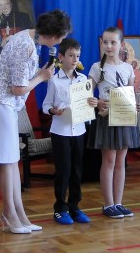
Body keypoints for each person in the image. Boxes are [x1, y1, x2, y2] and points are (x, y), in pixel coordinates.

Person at [0, 9, 71, 233]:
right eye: (61, 37)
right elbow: (18, 88)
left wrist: (38, 73)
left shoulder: (30, 40)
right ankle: (9, 214)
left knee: (12, 160)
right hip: (0, 103)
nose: (61, 41)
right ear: (53, 35)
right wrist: (41, 77)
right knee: (7, 161)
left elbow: (19, 78)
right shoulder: (25, 45)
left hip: (7, 104)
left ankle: (20, 214)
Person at [42, 37, 98, 225]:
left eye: (78, 56)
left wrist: (93, 103)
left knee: (77, 170)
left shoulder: (83, 79)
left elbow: (88, 103)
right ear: (61, 57)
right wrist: (53, 111)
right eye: (71, 56)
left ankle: (75, 207)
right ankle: (60, 208)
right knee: (63, 171)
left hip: (79, 130)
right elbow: (46, 105)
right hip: (61, 132)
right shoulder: (54, 80)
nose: (75, 60)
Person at [87, 27, 140, 219]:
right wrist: (97, 102)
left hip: (124, 117)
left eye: (113, 42)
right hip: (107, 118)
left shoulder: (128, 68)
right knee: (109, 160)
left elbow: (130, 94)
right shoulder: (97, 67)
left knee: (121, 161)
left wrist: (136, 105)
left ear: (121, 45)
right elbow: (87, 94)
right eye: (105, 42)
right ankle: (108, 204)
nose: (109, 46)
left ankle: (118, 202)